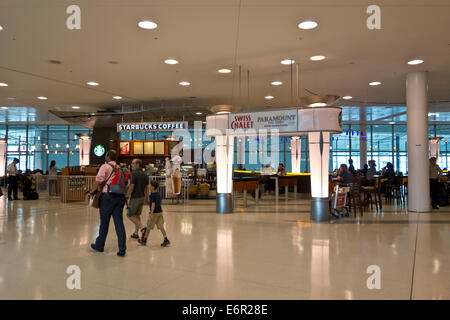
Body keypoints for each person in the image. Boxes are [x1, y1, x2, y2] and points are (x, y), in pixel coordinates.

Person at [91, 150, 128, 257]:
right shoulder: (120, 168)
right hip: (120, 197)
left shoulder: (105, 166)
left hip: (108, 198)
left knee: (104, 223)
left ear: (108, 157)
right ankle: (122, 248)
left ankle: (100, 245)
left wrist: (91, 191)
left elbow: (98, 180)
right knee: (119, 223)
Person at [138, 181, 170, 247]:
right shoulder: (158, 194)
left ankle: (144, 240)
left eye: (150, 185)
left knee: (148, 227)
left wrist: (151, 213)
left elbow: (153, 204)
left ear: (152, 187)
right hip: (160, 212)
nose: (148, 186)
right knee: (161, 226)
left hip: (154, 213)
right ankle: (166, 239)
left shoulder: (152, 195)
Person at [126, 159, 149, 239]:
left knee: (130, 215)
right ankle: (136, 233)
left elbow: (131, 186)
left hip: (135, 197)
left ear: (138, 165)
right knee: (137, 215)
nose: (131, 165)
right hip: (142, 197)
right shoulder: (145, 174)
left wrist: (127, 195)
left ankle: (142, 229)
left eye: (133, 163)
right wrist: (146, 198)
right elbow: (147, 187)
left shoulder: (134, 174)